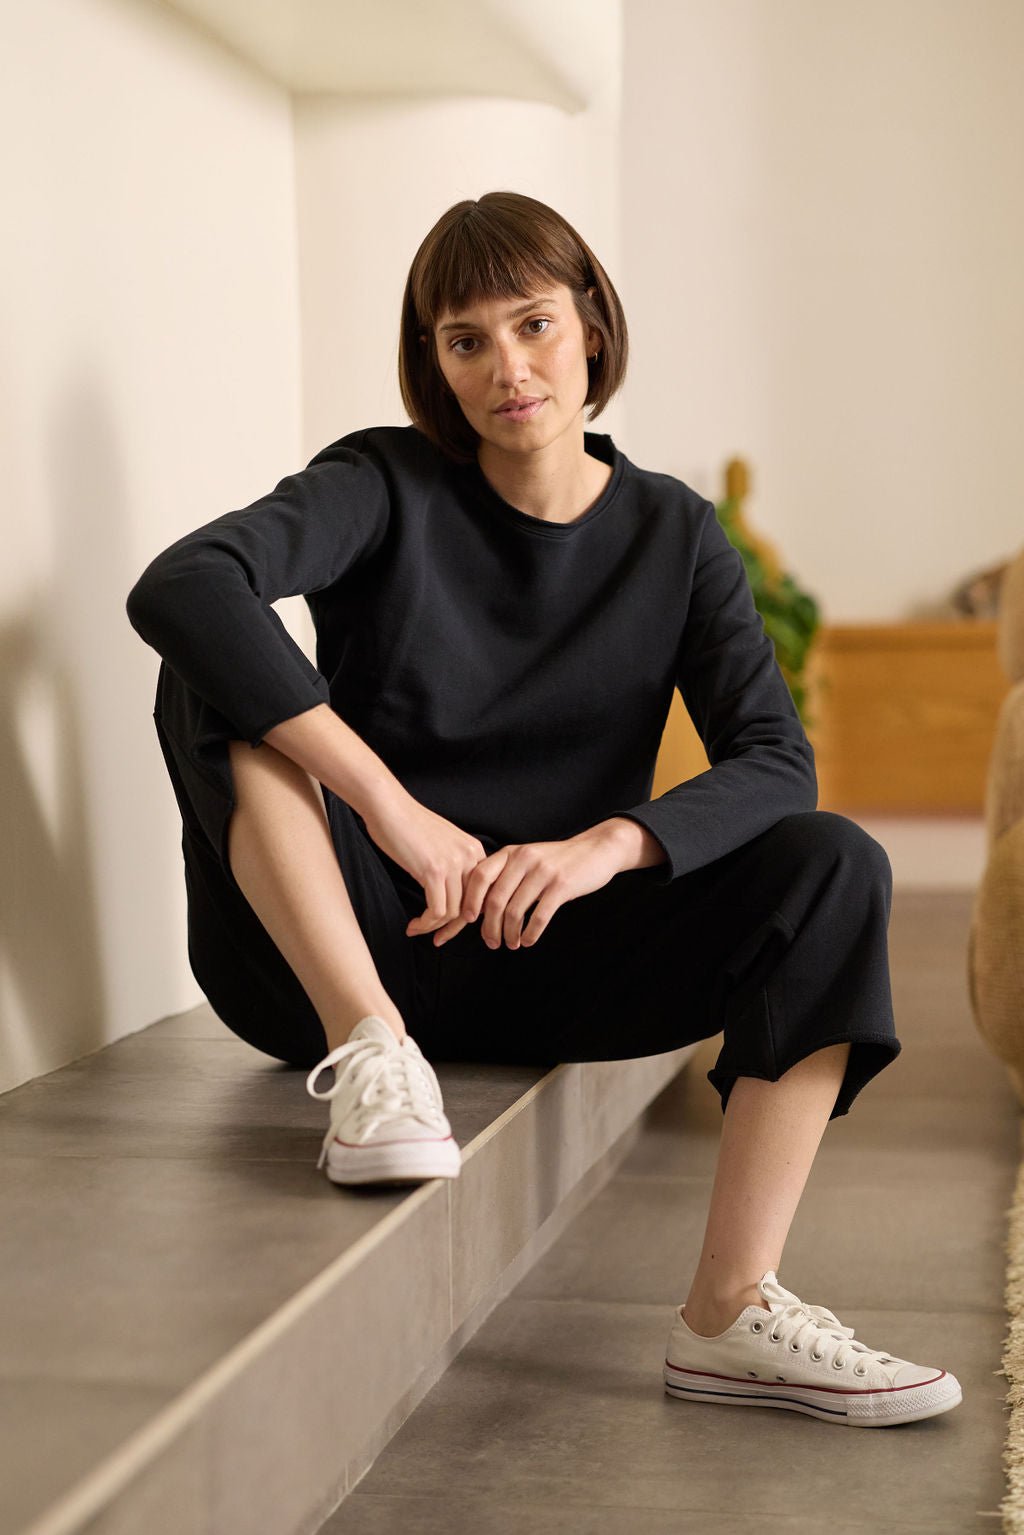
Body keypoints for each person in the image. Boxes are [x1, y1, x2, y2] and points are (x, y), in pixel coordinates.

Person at [126, 190, 961, 1427]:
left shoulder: (675, 532)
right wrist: (391, 808)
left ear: (591, 329)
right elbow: (185, 582)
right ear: (435, 366)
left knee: (831, 861)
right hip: (345, 951)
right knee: (210, 666)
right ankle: (374, 1057)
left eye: (533, 324)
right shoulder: (384, 481)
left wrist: (605, 846)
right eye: (465, 340)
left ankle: (730, 1309)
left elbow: (776, 758)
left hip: (557, 950)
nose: (508, 367)